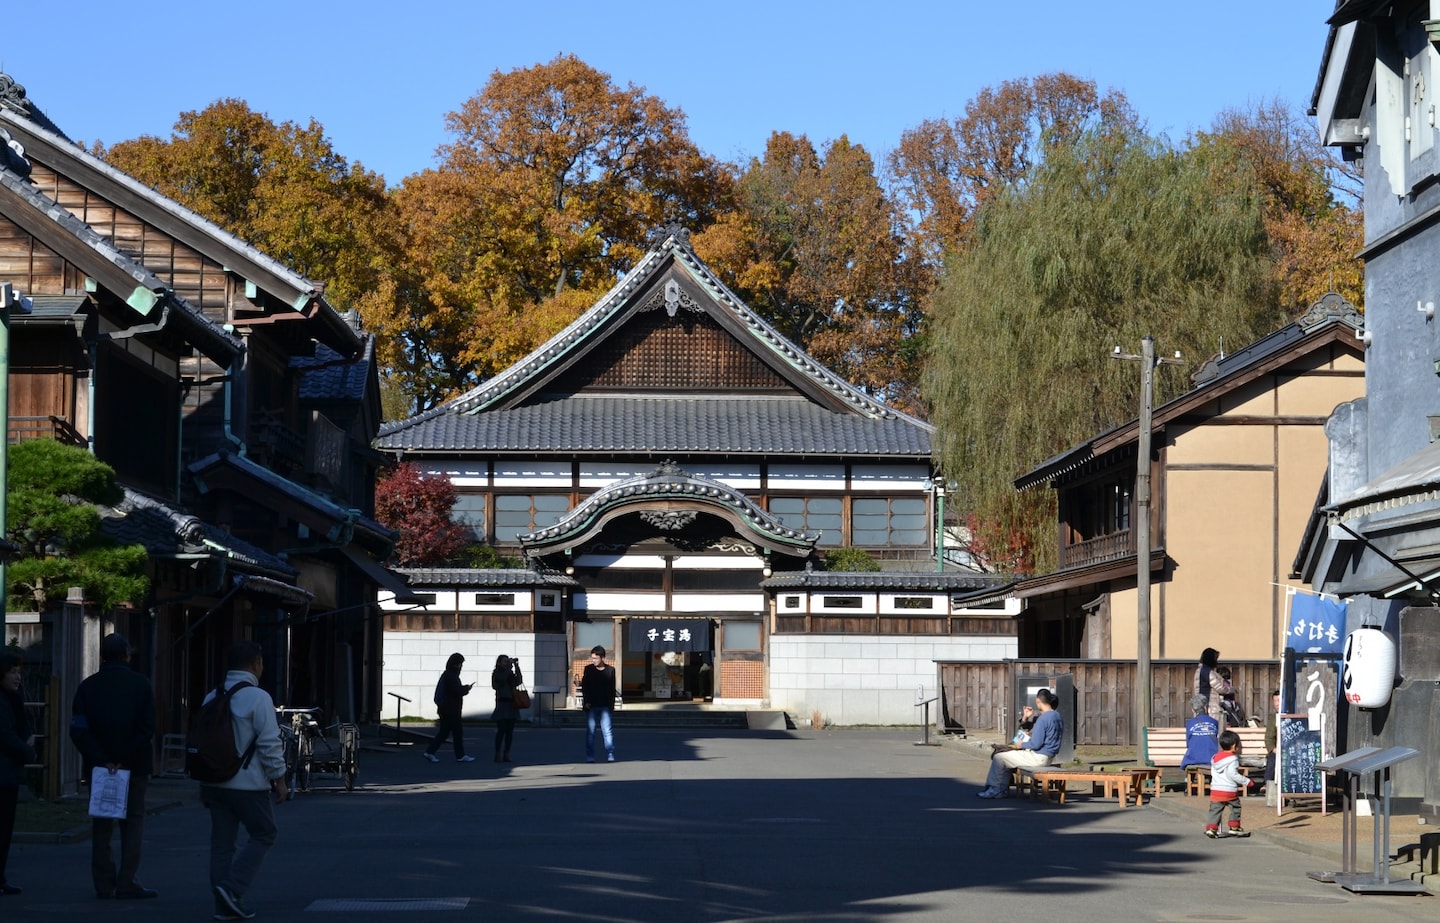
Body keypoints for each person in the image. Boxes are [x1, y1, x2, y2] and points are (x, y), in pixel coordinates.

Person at [202, 640, 288, 921]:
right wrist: (280, 778)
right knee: (265, 832)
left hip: (213, 782)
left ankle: (223, 905)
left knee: (222, 844)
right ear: (256, 664)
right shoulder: (258, 697)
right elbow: (269, 743)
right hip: (247, 784)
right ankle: (232, 887)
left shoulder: (211, 696)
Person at [69, 633, 158, 900]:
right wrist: (124, 756)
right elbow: (147, 729)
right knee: (133, 822)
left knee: (102, 823)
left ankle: (104, 883)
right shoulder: (141, 685)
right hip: (134, 765)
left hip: (100, 767)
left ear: (103, 656)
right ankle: (127, 880)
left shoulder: (88, 686)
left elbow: (79, 730)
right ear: (127, 655)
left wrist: (101, 757)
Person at [977, 688, 1063, 798]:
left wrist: (1020, 745)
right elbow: (1026, 732)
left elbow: (1035, 744)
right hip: (1048, 756)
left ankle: (995, 789)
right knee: (1005, 756)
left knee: (999, 758)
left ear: (1038, 701)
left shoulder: (1043, 719)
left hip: (1037, 756)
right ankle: (1001, 789)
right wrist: (1025, 718)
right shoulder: (1057, 716)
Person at [0, 651, 35, 897]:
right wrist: (28, 750)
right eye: (12, 672)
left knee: (5, 829)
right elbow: (5, 735)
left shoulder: (12, 699)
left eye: (18, 672)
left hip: (9, 774)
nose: (17, 677)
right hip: (3, 774)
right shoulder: (3, 701)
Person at [424, 653, 475, 763]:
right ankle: (460, 755)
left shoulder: (448, 674)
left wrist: (463, 688)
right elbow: (456, 691)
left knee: (444, 732)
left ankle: (430, 752)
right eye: (460, 664)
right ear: (456, 664)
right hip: (451, 709)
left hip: (445, 708)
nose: (461, 666)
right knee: (457, 732)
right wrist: (466, 688)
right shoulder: (451, 676)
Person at [1204, 729, 1254, 838]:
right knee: (1235, 807)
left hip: (1216, 789)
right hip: (1229, 790)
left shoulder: (1215, 758)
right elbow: (1233, 774)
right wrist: (1247, 781)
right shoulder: (1233, 759)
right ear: (1234, 746)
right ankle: (1234, 826)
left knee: (1215, 810)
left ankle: (1211, 828)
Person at [578, 645, 617, 763]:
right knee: (591, 731)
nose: (593, 660)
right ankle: (590, 755)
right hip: (591, 704)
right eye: (592, 658)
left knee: (607, 731)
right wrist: (586, 702)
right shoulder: (588, 669)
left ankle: (610, 753)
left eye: (596, 658)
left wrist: (611, 705)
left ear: (602, 657)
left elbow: (612, 689)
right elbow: (585, 686)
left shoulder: (610, 670)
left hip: (605, 704)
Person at [491, 655, 523, 763]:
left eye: (507, 661)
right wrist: (509, 668)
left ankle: (507, 753)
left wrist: (517, 667)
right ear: (499, 663)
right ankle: (497, 753)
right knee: (501, 731)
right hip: (502, 704)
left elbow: (519, 681)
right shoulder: (497, 673)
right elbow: (498, 683)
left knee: (510, 732)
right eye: (504, 661)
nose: (506, 663)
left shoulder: (510, 673)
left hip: (512, 705)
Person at [1180, 693, 1220, 771]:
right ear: (1206, 708)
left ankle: (1188, 779)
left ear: (1193, 710)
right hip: (1213, 758)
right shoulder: (1214, 722)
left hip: (1194, 759)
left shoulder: (1190, 723)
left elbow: (1188, 744)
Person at [1193, 647, 1232, 726]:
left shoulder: (1199, 671)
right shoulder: (1208, 672)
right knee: (1213, 728)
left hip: (1200, 705)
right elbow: (1220, 688)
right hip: (1210, 707)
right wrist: (1230, 689)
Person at [1262, 689, 1280, 806]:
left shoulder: (1292, 714)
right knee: (1272, 757)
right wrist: (1273, 749)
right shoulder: (1273, 718)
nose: (1277, 704)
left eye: (1279, 700)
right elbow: (1268, 737)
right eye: (1275, 701)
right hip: (1277, 749)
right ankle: (1267, 784)